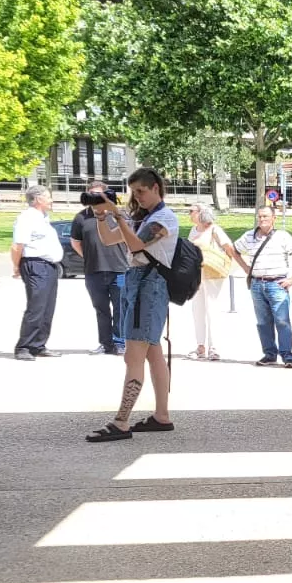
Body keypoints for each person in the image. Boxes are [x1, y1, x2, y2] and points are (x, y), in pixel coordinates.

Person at [84, 167, 178, 443]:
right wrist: (102, 217)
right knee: (153, 354)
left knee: (133, 355)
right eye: (133, 192)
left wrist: (116, 214)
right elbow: (110, 239)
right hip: (138, 282)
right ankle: (162, 416)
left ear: (155, 188)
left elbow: (136, 246)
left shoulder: (163, 218)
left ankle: (121, 421)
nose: (136, 197)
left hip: (149, 286)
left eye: (141, 191)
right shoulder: (145, 217)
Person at [225, 205, 292, 367]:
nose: (262, 220)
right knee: (262, 322)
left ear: (273, 219)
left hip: (277, 284)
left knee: (282, 321)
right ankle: (269, 354)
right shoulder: (249, 236)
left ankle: (287, 356)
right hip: (257, 283)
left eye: (266, 217)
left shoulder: (283, 237)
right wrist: (245, 267)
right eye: (260, 216)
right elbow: (233, 250)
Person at [69, 180, 129, 356]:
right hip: (94, 271)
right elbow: (75, 242)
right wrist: (88, 257)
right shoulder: (81, 217)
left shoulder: (118, 214)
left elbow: (130, 237)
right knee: (101, 309)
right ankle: (105, 343)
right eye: (92, 195)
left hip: (119, 269)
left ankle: (120, 342)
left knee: (121, 308)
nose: (95, 199)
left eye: (99, 195)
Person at [10, 185, 63, 361]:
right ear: (38, 199)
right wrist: (16, 267)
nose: (51, 200)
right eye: (48, 197)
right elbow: (17, 246)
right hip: (35, 264)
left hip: (49, 266)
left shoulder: (43, 218)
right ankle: (23, 347)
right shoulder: (26, 218)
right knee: (36, 307)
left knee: (48, 308)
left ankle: (39, 344)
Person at [187, 204, 232, 361]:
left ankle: (214, 347)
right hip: (196, 275)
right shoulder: (194, 230)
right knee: (197, 310)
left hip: (212, 274)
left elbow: (229, 247)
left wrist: (227, 264)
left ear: (201, 213)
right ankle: (200, 346)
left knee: (212, 310)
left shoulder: (214, 229)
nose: (189, 214)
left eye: (192, 211)